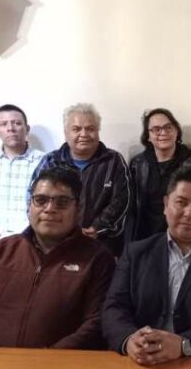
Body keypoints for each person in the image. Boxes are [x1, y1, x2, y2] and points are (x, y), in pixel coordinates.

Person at [0, 167, 116, 349]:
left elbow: (96, 323)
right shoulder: (2, 250)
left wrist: (45, 359)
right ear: (29, 206)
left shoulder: (97, 258)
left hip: (62, 364)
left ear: (78, 209)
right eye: (40, 200)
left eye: (62, 202)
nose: (49, 209)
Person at [102, 167, 191, 365]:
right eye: (181, 202)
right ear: (166, 204)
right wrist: (129, 340)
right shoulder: (136, 253)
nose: (189, 213)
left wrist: (184, 345)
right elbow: (114, 307)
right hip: (139, 362)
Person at [31, 103, 130, 255]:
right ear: (66, 133)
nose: (84, 134)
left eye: (90, 129)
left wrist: (96, 228)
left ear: (98, 132)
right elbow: (35, 198)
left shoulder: (114, 161)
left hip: (102, 245)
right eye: (76, 129)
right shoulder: (51, 161)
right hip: (56, 244)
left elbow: (122, 200)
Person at [0, 104, 45, 258]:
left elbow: (45, 203)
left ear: (27, 128)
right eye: (3, 124)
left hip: (33, 240)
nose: (10, 128)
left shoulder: (44, 161)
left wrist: (23, 233)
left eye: (17, 123)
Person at [127, 108, 191, 243]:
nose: (163, 133)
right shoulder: (137, 164)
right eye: (156, 129)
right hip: (145, 239)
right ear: (148, 136)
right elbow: (131, 209)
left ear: (176, 131)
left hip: (182, 239)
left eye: (168, 127)